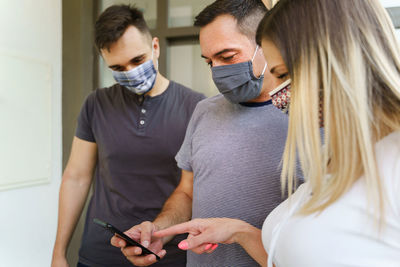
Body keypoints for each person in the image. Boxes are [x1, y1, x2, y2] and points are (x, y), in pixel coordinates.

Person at [153, 0, 400, 266]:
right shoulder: (337, 160)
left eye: (282, 75)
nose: (280, 93)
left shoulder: (388, 162)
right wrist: (239, 232)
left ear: (335, 61)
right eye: (209, 62)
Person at [111, 1, 302, 266]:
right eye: (209, 61)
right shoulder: (204, 111)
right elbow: (186, 192)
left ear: (266, 45)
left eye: (227, 57)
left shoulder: (314, 119)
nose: (217, 71)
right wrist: (158, 231)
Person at [51, 5, 205, 267]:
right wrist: (59, 253)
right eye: (118, 67)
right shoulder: (96, 104)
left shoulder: (195, 107)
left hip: (167, 254)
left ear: (155, 47)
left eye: (137, 60)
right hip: (101, 255)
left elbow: (192, 191)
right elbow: (76, 178)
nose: (131, 72)